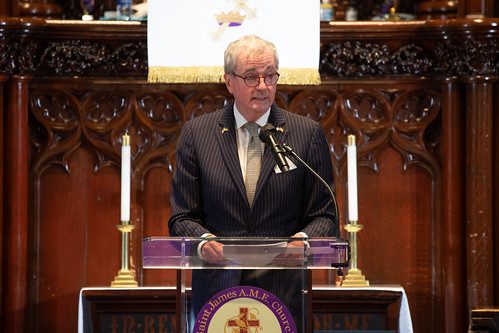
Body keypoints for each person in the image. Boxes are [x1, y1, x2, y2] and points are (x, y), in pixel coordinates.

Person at [168, 34, 339, 328]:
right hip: (217, 287)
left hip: (283, 288)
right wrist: (203, 243)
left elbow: (324, 214)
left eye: (270, 75)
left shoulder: (305, 133)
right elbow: (182, 216)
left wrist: (303, 242)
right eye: (251, 77)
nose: (263, 86)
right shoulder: (197, 134)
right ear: (229, 81)